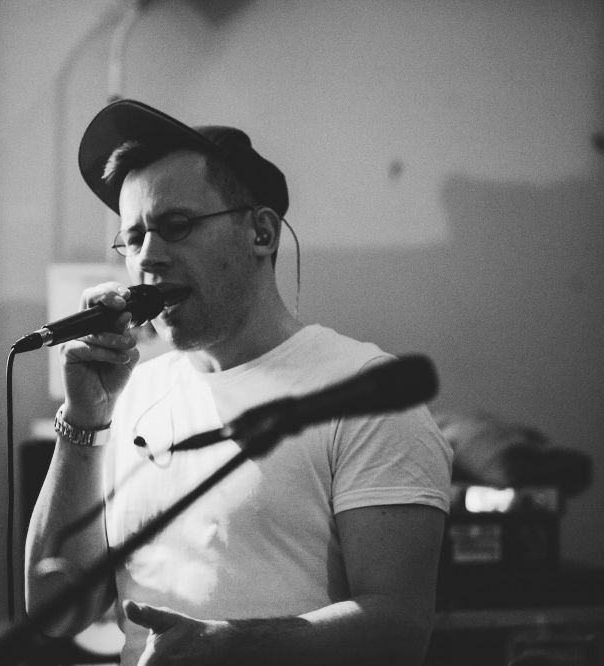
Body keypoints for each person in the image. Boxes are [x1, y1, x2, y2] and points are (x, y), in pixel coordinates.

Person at [25, 99, 453, 666]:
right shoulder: (130, 397)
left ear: (261, 233)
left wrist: (231, 645)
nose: (148, 258)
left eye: (175, 226)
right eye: (133, 238)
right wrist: (84, 419)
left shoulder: (365, 393)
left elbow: (399, 629)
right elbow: (56, 612)